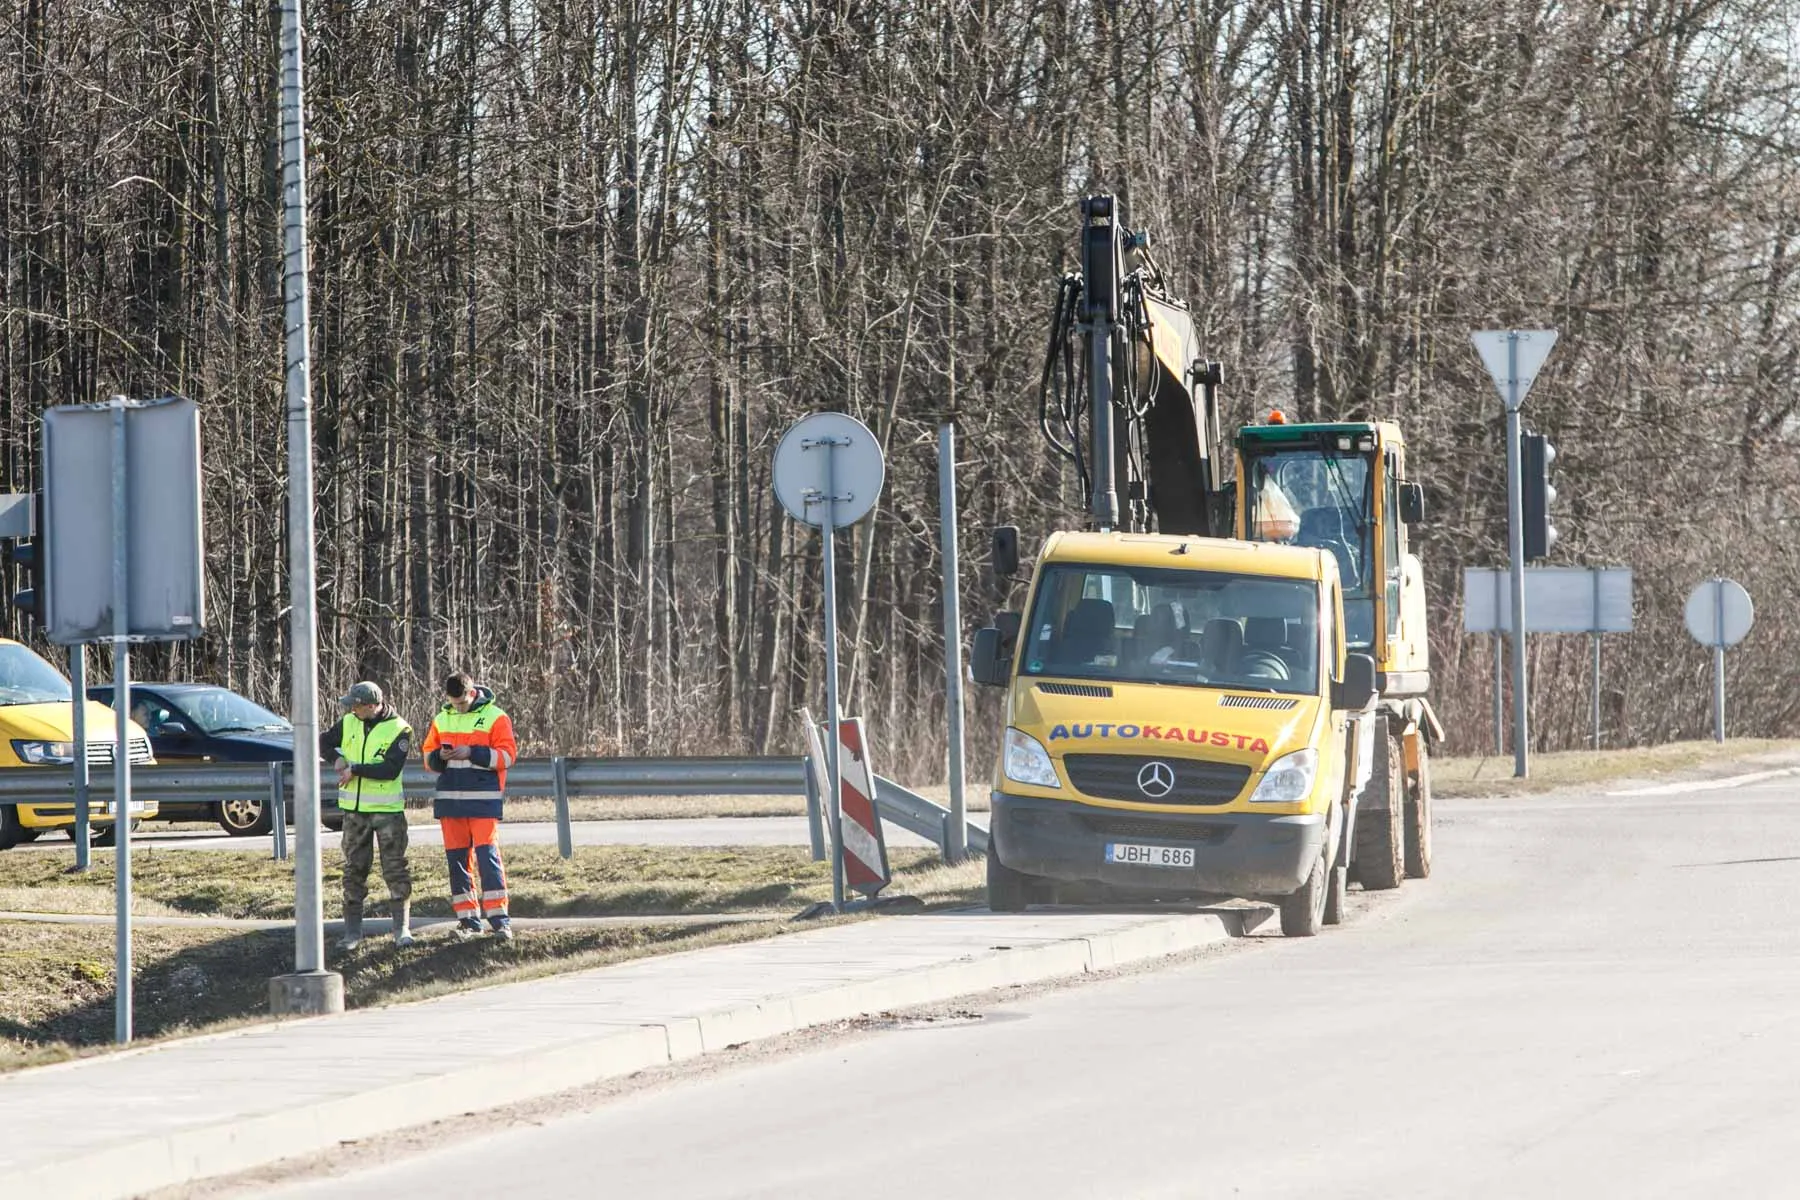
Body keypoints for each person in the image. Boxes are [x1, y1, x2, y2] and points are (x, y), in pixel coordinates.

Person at [422, 672, 519, 941]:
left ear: (472, 693)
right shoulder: (442, 718)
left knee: (487, 858)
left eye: (462, 703)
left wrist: (472, 752)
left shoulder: (495, 717)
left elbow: (508, 756)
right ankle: (468, 921)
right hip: (450, 801)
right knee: (457, 862)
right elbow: (428, 759)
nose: (458, 707)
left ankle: (499, 921)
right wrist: (439, 756)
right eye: (454, 703)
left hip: (482, 800)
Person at [318, 680, 415, 950]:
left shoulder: (400, 729)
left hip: (387, 813)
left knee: (395, 869)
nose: (352, 710)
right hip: (355, 814)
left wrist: (355, 770)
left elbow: (390, 769)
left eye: (357, 706)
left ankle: (402, 929)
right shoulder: (349, 721)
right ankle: (352, 933)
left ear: (372, 706)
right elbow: (323, 742)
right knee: (353, 870)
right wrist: (335, 760)